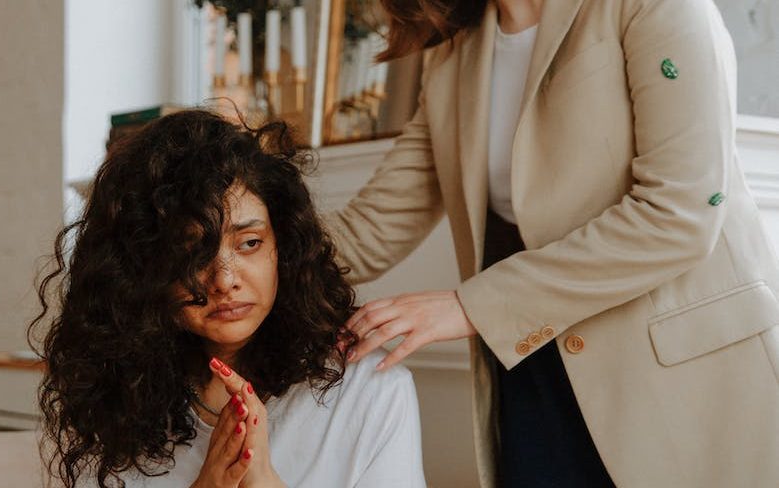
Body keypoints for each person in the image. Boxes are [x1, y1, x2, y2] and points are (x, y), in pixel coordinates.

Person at [326, 0, 779, 486]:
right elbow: (371, 228)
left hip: (682, 383)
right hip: (536, 372)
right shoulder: (454, 52)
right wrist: (246, 247)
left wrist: (470, 305)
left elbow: (680, 213)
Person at [28, 109, 426, 488]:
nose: (224, 280)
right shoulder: (108, 396)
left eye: (249, 243)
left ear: (282, 247)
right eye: (190, 253)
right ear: (141, 270)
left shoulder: (368, 390)